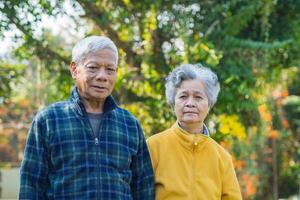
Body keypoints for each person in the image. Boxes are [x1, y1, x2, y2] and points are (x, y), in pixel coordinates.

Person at [19, 36, 155, 199]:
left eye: (110, 69)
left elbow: (144, 188)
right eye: (93, 67)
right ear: (74, 70)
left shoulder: (129, 124)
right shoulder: (49, 120)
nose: (102, 76)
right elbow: (31, 185)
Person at [147, 64, 242, 200]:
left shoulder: (222, 157)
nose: (190, 103)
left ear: (209, 104)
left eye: (198, 97)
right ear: (173, 103)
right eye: (183, 96)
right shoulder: (153, 146)